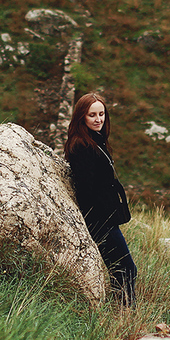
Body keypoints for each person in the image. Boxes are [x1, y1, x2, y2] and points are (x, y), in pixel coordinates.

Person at [64, 93, 137, 306]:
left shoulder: (95, 140)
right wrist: (99, 221)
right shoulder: (82, 147)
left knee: (122, 269)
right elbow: (86, 190)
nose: (98, 119)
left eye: (102, 114)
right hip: (100, 220)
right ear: (81, 117)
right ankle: (125, 315)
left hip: (105, 218)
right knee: (126, 269)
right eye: (92, 115)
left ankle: (123, 312)